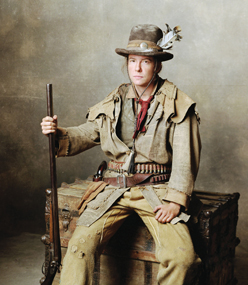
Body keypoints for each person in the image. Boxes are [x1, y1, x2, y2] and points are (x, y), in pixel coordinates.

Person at [41, 24, 201, 285]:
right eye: (132, 61)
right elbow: (89, 132)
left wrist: (175, 201)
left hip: (157, 191)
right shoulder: (117, 98)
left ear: (157, 66)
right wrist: (58, 133)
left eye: (145, 62)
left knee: (182, 258)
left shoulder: (178, 104)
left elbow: (186, 159)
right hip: (112, 189)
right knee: (79, 246)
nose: (136, 68)